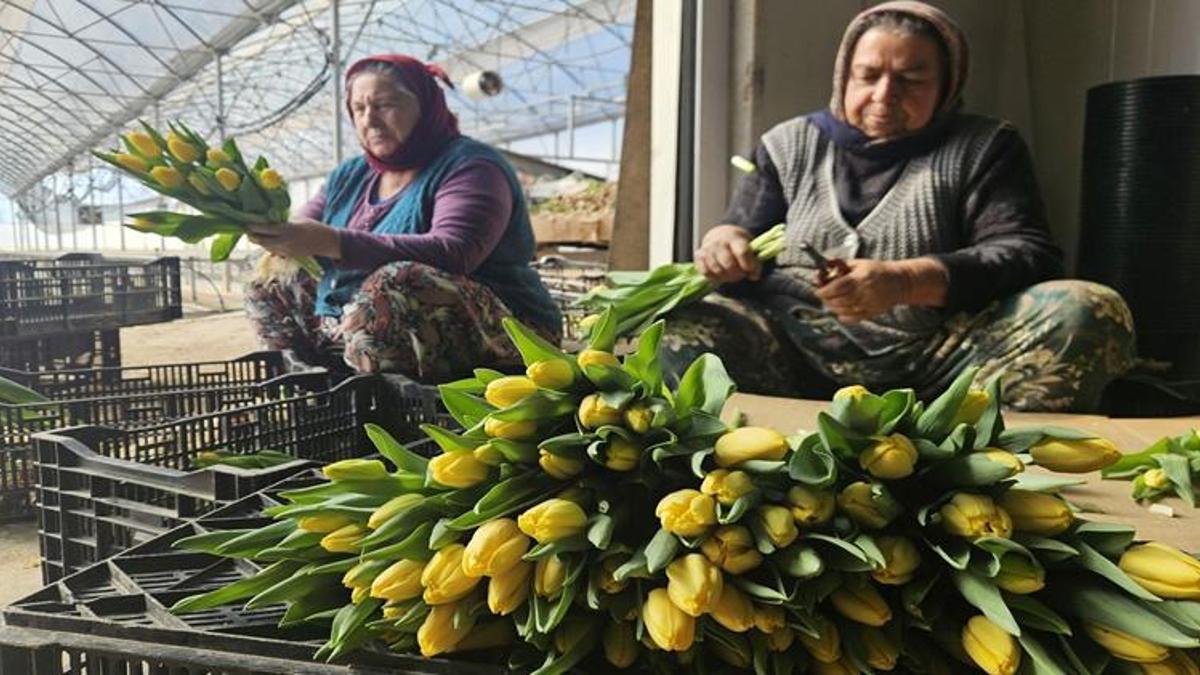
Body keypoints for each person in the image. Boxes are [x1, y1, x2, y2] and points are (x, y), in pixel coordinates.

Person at [662, 1, 1134, 412]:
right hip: (793, 353)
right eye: (867, 76)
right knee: (674, 320)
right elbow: (740, 231)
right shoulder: (788, 145)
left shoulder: (986, 147)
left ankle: (956, 437)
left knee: (1089, 311)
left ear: (947, 85)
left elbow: (1028, 254)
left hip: (939, 365)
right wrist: (723, 242)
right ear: (844, 76)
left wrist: (906, 281)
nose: (884, 95)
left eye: (911, 80)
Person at [243, 54, 561, 382]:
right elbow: (303, 229)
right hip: (362, 322)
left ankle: (392, 403)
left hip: (501, 327)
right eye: (359, 109)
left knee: (397, 282)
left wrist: (333, 241)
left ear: (425, 105)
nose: (371, 120)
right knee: (271, 278)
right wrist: (277, 232)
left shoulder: (471, 166)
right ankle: (322, 386)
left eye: (383, 105)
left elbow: (456, 250)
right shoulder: (349, 175)